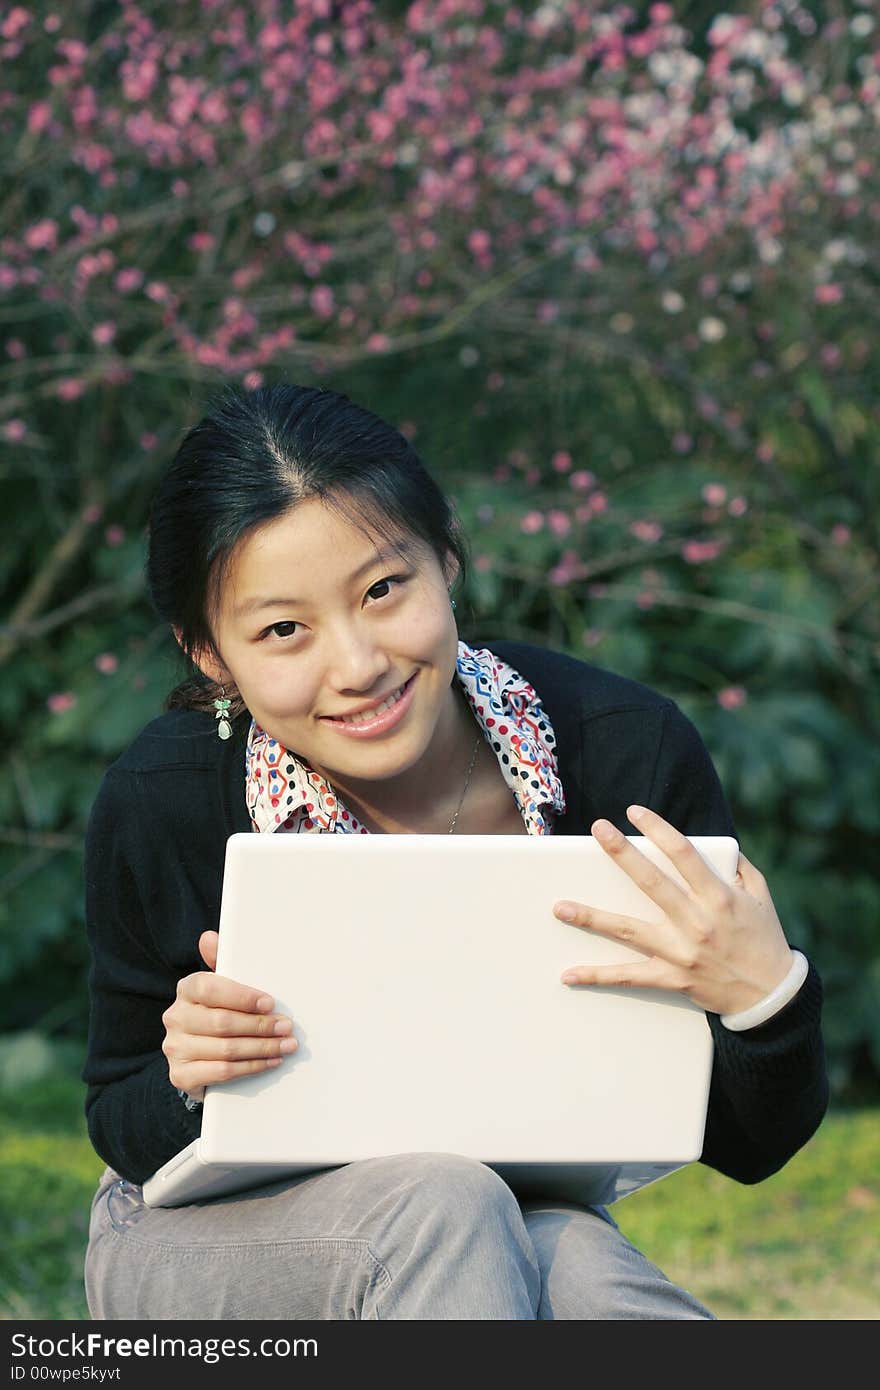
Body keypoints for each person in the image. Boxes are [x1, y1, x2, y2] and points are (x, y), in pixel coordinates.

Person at [82, 382, 828, 1321]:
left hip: (512, 1218)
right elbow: (122, 1118)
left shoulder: (625, 752)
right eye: (283, 631)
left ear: (447, 561)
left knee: (586, 1274)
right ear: (211, 654)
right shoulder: (167, 799)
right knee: (445, 1199)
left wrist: (763, 998)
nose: (357, 665)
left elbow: (749, 1146)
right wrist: (190, 1074)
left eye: (383, 590)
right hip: (200, 1235)